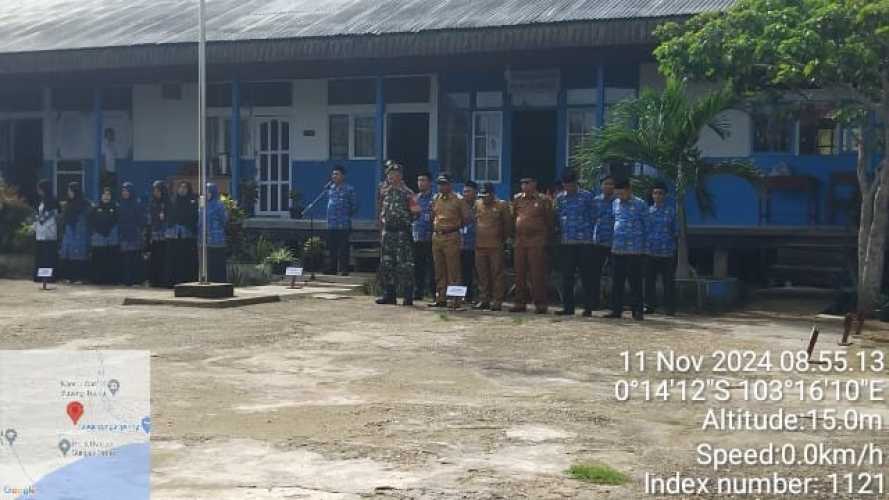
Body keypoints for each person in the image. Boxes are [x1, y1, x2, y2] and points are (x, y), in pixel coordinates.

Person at [553, 170, 596, 316]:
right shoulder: (560, 198)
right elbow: (558, 217)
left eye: (570, 185)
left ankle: (588, 307)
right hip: (567, 241)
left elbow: (594, 216)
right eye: (565, 185)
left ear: (576, 183)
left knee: (586, 275)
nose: (568, 188)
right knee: (567, 276)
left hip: (584, 241)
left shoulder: (587, 196)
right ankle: (568, 307)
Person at [604, 178, 647, 320]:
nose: (620, 197)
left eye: (622, 194)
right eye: (617, 194)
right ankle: (616, 310)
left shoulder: (640, 204)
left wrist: (645, 246)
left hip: (635, 249)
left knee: (635, 281)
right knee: (617, 281)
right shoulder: (615, 203)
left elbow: (647, 225)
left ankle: (638, 311)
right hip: (617, 248)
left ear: (629, 190)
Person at [376, 163, 419, 305]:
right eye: (389, 174)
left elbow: (416, 212)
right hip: (388, 232)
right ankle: (389, 294)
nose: (391, 176)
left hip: (402, 233)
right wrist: (381, 230)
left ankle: (408, 296)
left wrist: (405, 222)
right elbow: (381, 211)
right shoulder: (384, 191)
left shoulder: (407, 192)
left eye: (394, 174)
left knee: (405, 265)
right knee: (387, 263)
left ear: (400, 176)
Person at [510, 177, 552, 314]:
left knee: (537, 274)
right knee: (519, 274)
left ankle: (540, 304)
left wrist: (544, 236)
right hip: (520, 241)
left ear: (535, 183)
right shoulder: (517, 199)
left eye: (528, 183)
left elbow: (549, 219)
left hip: (537, 241)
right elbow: (513, 216)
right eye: (522, 183)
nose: (524, 185)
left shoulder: (543, 199)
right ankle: (519, 303)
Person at [430, 174, 470, 309]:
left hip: (451, 236)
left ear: (450, 184)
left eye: (444, 184)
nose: (441, 186)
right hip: (437, 237)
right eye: (439, 184)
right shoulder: (436, 198)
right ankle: (441, 297)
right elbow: (432, 216)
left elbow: (466, 218)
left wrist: (454, 227)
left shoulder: (458, 199)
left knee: (453, 269)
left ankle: (455, 299)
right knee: (439, 269)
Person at [473, 182, 512, 311]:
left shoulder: (502, 205)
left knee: (497, 274)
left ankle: (497, 300)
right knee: (482, 274)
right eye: (482, 195)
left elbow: (508, 225)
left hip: (496, 245)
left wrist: (503, 240)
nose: (484, 198)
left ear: (493, 194)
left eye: (486, 195)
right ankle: (484, 299)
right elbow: (475, 221)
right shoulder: (478, 204)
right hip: (480, 245)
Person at [645, 181, 678, 316]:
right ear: (652, 195)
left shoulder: (671, 212)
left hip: (667, 252)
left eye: (660, 193)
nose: (657, 196)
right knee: (649, 281)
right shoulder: (647, 212)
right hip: (650, 251)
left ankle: (669, 308)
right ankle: (649, 306)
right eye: (655, 193)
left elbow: (675, 231)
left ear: (665, 195)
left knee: (668, 282)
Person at [324, 165, 358, 276]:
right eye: (333, 174)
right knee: (332, 247)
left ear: (343, 176)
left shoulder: (349, 189)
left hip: (343, 223)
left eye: (337, 174)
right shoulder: (330, 188)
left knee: (343, 248)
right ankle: (332, 268)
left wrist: (346, 215)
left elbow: (354, 206)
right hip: (332, 223)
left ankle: (344, 269)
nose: (334, 176)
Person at [165, 181, 198, 286]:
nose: (182, 189)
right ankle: (174, 281)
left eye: (185, 187)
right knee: (174, 259)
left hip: (187, 236)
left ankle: (187, 281)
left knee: (186, 259)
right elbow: (169, 216)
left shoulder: (192, 202)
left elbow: (194, 217)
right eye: (180, 187)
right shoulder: (173, 201)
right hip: (174, 236)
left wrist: (185, 224)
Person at [591, 175, 616, 310]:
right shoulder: (595, 201)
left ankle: (614, 303)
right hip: (598, 242)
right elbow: (591, 220)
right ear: (601, 186)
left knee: (615, 274)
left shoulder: (619, 202)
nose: (609, 186)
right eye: (606, 184)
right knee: (595, 273)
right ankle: (595, 302)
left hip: (615, 242)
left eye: (611, 184)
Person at [58, 182, 90, 283]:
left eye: (70, 191)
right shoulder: (68, 203)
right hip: (69, 232)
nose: (68, 193)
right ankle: (68, 277)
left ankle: (79, 278)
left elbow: (87, 218)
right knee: (68, 254)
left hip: (79, 232)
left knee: (78, 255)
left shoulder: (85, 203)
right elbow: (64, 218)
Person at [411, 171, 435, 300]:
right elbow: (411, 216)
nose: (421, 183)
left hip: (431, 237)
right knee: (417, 265)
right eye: (419, 180)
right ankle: (418, 291)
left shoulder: (435, 198)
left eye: (424, 180)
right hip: (417, 237)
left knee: (432, 267)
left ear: (430, 182)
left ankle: (433, 292)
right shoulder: (415, 199)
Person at [89, 186, 120, 285]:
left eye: (108, 194)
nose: (106, 197)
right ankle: (97, 279)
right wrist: (96, 231)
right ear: (100, 196)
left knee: (110, 259)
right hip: (98, 238)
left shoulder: (115, 207)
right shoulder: (95, 207)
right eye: (104, 194)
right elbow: (91, 221)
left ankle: (110, 279)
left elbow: (116, 220)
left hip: (111, 239)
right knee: (98, 259)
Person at [199, 182, 229, 283]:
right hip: (205, 239)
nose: (206, 194)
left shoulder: (219, 205)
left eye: (208, 192)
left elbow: (224, 219)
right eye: (205, 192)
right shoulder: (203, 205)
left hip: (217, 239)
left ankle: (219, 282)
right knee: (208, 263)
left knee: (217, 262)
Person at [118, 182, 146, 286]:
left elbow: (141, 220)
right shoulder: (121, 204)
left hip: (134, 234)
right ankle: (126, 280)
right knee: (125, 259)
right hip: (124, 234)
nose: (124, 193)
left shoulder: (137, 204)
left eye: (126, 191)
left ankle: (136, 280)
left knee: (135, 258)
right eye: (123, 191)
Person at [33, 179, 59, 282]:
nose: (38, 190)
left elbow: (53, 213)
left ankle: (49, 276)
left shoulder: (52, 200)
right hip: (41, 232)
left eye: (39, 188)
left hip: (49, 232)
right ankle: (40, 276)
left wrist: (41, 219)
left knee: (48, 255)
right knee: (41, 255)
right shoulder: (42, 200)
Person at [147, 180, 169, 287]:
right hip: (155, 234)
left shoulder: (168, 203)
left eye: (158, 190)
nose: (156, 192)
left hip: (165, 236)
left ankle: (163, 279)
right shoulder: (152, 202)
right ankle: (154, 280)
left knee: (164, 257)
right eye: (154, 190)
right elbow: (150, 218)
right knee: (155, 257)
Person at [460, 180, 478, 304]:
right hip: (461, 244)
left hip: (476, 244)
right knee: (462, 272)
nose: (466, 194)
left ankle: (478, 297)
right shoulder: (459, 205)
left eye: (468, 191)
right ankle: (463, 296)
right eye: (464, 191)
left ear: (475, 192)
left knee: (476, 273)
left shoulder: (479, 205)